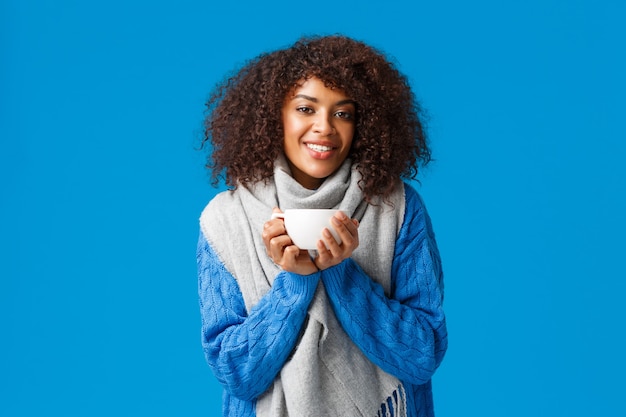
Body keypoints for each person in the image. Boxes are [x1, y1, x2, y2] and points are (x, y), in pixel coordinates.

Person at [197, 35, 447, 417]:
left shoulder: (397, 206)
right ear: (274, 115)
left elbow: (421, 354)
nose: (325, 127)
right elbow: (238, 374)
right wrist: (294, 285)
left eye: (342, 113)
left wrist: (340, 273)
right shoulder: (224, 221)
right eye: (305, 109)